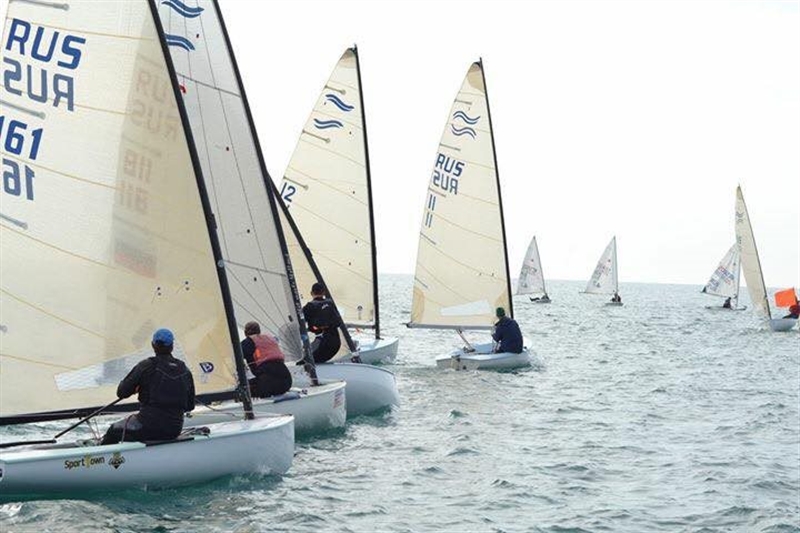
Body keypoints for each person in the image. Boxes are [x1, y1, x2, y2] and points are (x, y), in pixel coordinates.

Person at [101, 328, 195, 445]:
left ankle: (102, 455)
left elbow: (121, 392)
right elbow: (190, 406)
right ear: (172, 346)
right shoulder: (185, 370)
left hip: (147, 427)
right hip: (174, 430)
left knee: (113, 431)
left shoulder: (146, 366)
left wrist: (136, 388)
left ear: (153, 345)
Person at [241, 321, 292, 397]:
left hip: (267, 383)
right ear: (259, 331)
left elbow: (235, 357)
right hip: (287, 381)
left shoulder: (247, 342)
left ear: (245, 333)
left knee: (243, 389)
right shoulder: (271, 339)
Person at [302, 282, 342, 363]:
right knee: (315, 357)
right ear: (324, 292)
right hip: (336, 344)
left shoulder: (309, 306)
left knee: (303, 361)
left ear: (311, 293)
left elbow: (300, 322)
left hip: (322, 344)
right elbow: (338, 322)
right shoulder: (330, 303)